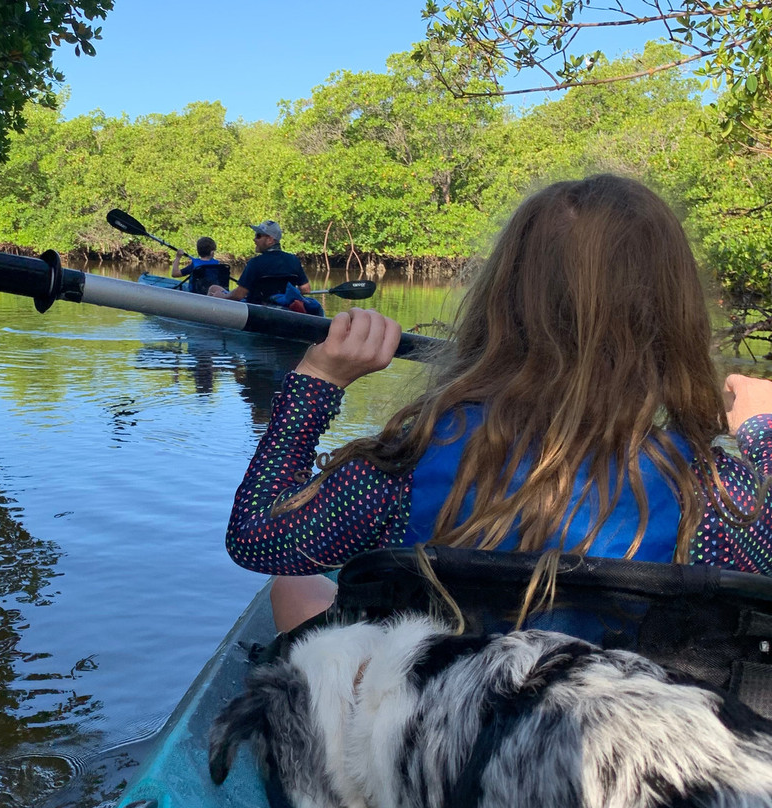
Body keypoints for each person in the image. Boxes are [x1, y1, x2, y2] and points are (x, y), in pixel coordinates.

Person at [221, 174, 772, 633]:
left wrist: (318, 380)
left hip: (439, 745)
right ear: (675, 317)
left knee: (295, 579)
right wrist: (761, 433)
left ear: (498, 303)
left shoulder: (403, 469)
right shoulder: (718, 494)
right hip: (610, 746)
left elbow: (255, 538)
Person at [208, 220, 311, 303]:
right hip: (283, 307)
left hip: (255, 311)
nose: (254, 239)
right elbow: (306, 289)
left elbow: (239, 295)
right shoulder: (293, 260)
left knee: (214, 289)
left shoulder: (255, 263)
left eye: (258, 236)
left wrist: (222, 296)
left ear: (270, 240)